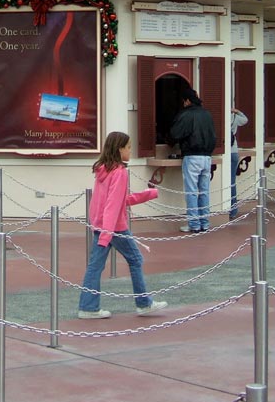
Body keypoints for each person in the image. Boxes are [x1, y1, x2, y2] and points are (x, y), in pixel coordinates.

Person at [77, 131, 167, 319]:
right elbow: (112, 205)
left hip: (102, 226)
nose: (130, 150)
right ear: (119, 149)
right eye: (128, 147)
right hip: (114, 228)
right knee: (135, 260)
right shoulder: (120, 173)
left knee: (95, 266)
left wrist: (146, 194)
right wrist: (107, 234)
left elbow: (114, 200)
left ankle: (88, 306)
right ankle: (143, 303)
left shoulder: (103, 170)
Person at [169, 87, 217, 233]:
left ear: (187, 101)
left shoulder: (186, 115)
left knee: (191, 192)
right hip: (207, 157)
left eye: (184, 101)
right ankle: (205, 223)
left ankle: (194, 224)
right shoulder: (207, 114)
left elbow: (174, 134)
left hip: (192, 156)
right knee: (204, 191)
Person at [228, 107, 249, 219]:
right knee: (232, 182)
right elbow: (245, 119)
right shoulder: (234, 118)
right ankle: (233, 210)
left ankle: (227, 207)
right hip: (234, 151)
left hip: (225, 152)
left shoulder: (219, 118)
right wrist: (237, 111)